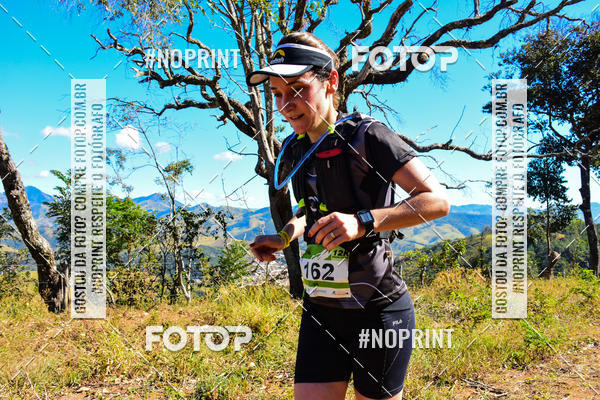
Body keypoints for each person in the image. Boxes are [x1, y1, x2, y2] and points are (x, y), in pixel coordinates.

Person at [246, 32, 450, 400]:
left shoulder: (368, 136)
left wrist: (362, 221)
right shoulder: (295, 148)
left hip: (378, 311)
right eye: (276, 93)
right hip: (321, 310)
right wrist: (284, 236)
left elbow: (436, 201)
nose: (285, 104)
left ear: (331, 81)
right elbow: (310, 210)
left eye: (297, 89)